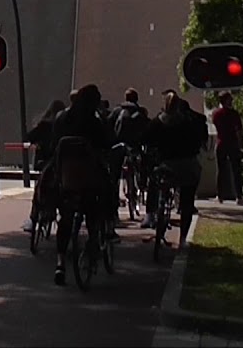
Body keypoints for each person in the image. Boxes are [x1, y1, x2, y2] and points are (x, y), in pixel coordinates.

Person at [48, 84, 112, 286]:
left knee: (65, 218)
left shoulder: (62, 118)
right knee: (100, 199)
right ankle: (97, 238)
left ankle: (60, 263)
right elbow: (106, 143)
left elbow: (53, 145)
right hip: (89, 178)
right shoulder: (94, 121)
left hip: (66, 178)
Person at [141, 92, 206, 248]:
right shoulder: (187, 122)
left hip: (165, 166)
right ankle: (183, 237)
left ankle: (150, 213)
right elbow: (196, 141)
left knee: (154, 182)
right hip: (186, 165)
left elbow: (145, 139)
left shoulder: (157, 122)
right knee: (188, 198)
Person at [22, 99, 67, 232]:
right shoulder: (64, 125)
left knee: (40, 187)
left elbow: (30, 137)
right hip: (62, 163)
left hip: (46, 161)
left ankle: (33, 218)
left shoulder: (45, 124)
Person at [109, 88, 150, 216]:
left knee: (114, 175)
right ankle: (142, 184)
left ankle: (113, 204)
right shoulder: (141, 112)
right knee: (142, 165)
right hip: (135, 146)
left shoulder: (117, 111)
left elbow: (109, 126)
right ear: (136, 99)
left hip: (119, 146)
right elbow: (147, 130)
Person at [210, 91, 243, 206]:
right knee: (236, 170)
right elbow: (239, 131)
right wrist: (241, 146)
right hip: (232, 143)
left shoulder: (216, 114)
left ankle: (220, 195)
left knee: (221, 170)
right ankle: (239, 196)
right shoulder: (234, 114)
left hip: (221, 143)